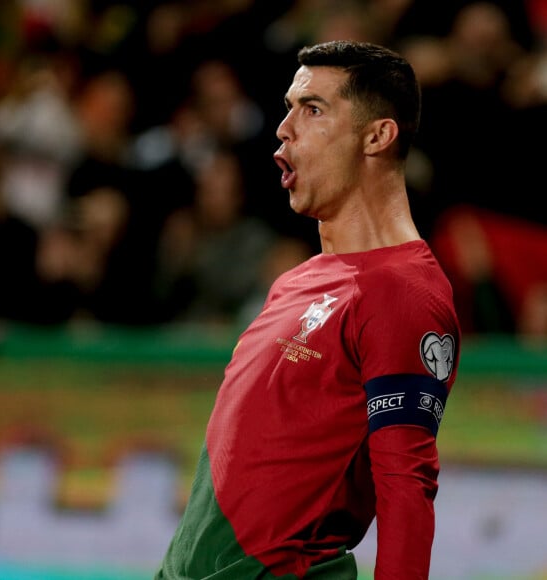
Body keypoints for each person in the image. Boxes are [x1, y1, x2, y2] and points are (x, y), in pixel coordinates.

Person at [156, 40, 461, 579]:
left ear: (378, 135)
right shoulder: (297, 280)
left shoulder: (404, 293)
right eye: (289, 106)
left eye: (313, 109)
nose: (284, 127)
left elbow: (406, 490)